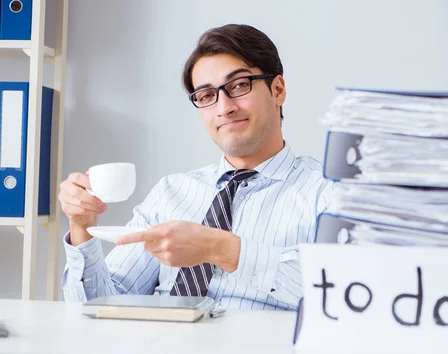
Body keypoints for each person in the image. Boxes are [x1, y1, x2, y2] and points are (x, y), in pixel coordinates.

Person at [59, 24, 334, 311]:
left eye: (239, 85)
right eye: (206, 96)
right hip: (160, 350)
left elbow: (340, 295)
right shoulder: (171, 193)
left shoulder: (327, 193)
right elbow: (98, 306)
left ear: (277, 90)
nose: (224, 107)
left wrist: (220, 248)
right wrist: (82, 229)